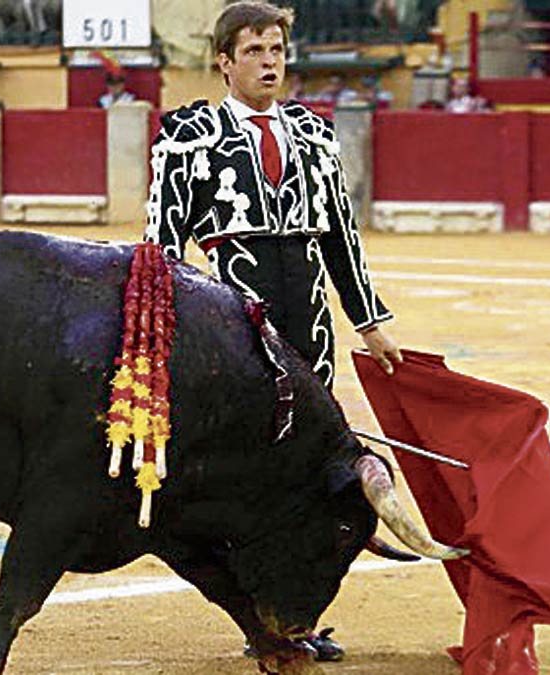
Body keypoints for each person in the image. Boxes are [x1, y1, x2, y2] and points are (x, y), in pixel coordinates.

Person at [144, 0, 402, 440]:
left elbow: (340, 239)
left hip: (311, 328)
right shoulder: (191, 138)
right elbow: (162, 248)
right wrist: (164, 333)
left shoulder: (313, 135)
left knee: (311, 440)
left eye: (277, 50)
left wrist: (369, 326)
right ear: (225, 63)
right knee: (242, 439)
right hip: (236, 327)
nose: (269, 62)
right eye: (254, 51)